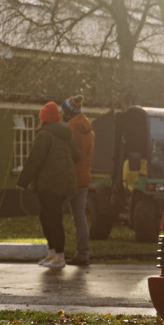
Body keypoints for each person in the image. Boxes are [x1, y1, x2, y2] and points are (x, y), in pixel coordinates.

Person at [17, 101, 81, 269]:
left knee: (51, 219)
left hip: (49, 185)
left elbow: (34, 160)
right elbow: (76, 156)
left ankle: (59, 256)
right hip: (65, 183)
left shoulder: (44, 135)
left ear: (43, 118)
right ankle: (53, 254)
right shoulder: (67, 133)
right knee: (49, 217)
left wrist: (22, 182)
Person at [61, 94, 95, 266]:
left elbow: (67, 155)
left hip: (69, 178)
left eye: (63, 111)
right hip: (84, 178)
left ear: (68, 112)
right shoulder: (89, 131)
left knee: (54, 213)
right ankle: (83, 253)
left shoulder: (69, 130)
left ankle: (55, 252)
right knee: (80, 217)